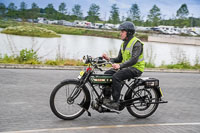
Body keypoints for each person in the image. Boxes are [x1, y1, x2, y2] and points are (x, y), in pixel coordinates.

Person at [102, 21, 145, 110]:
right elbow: (119, 59)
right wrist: (108, 59)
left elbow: (134, 60)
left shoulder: (137, 43)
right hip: (126, 67)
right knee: (107, 73)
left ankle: (116, 102)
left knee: (116, 76)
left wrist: (120, 66)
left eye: (122, 31)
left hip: (136, 68)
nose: (120, 33)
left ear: (128, 32)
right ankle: (106, 99)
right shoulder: (123, 44)